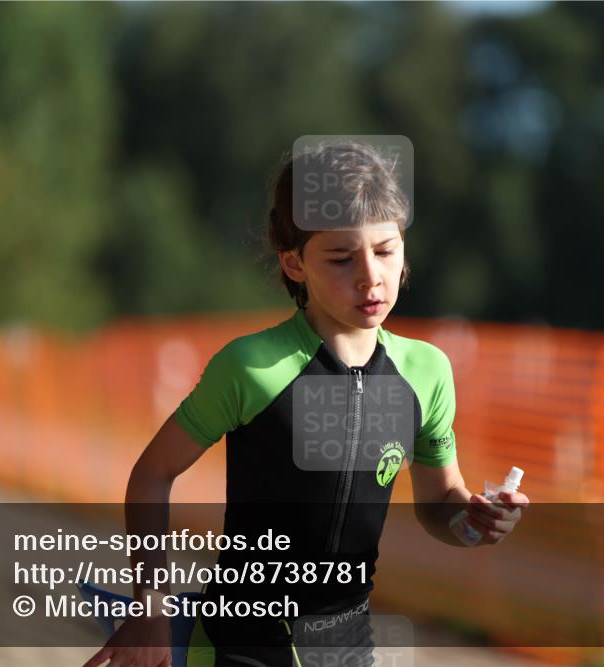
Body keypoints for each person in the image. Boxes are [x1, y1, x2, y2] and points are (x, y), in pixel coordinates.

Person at [84, 141, 530, 667]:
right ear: (295, 263)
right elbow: (152, 474)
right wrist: (151, 607)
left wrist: (473, 521)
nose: (370, 275)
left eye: (386, 250)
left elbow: (439, 503)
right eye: (342, 257)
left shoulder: (426, 372)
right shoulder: (252, 366)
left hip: (348, 648)